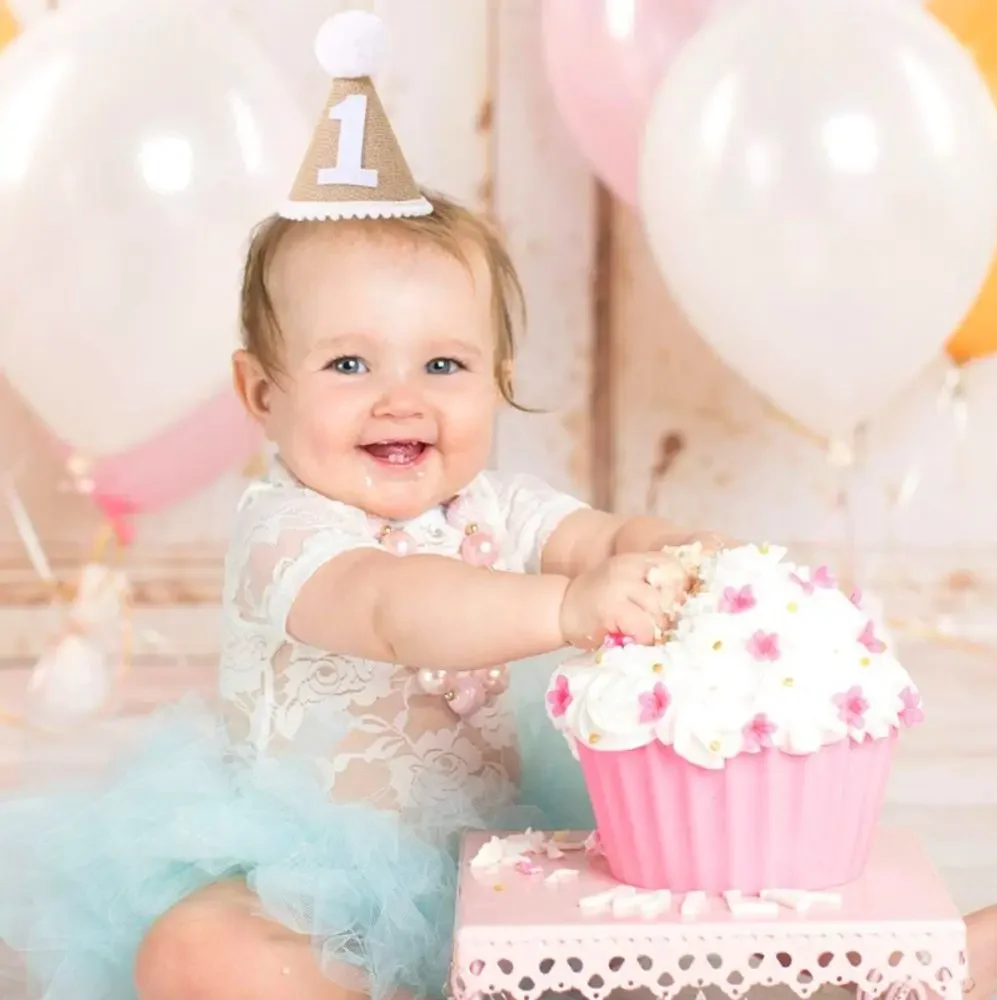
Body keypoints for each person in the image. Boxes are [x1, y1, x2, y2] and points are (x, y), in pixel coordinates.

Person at [0, 12, 715, 1000]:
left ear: (495, 377)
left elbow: (594, 535)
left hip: (483, 849)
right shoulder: (288, 530)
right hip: (306, 864)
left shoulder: (494, 501)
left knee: (630, 905)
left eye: (444, 363)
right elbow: (390, 603)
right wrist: (560, 609)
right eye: (348, 362)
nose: (401, 395)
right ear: (262, 394)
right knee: (206, 949)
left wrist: (678, 556)